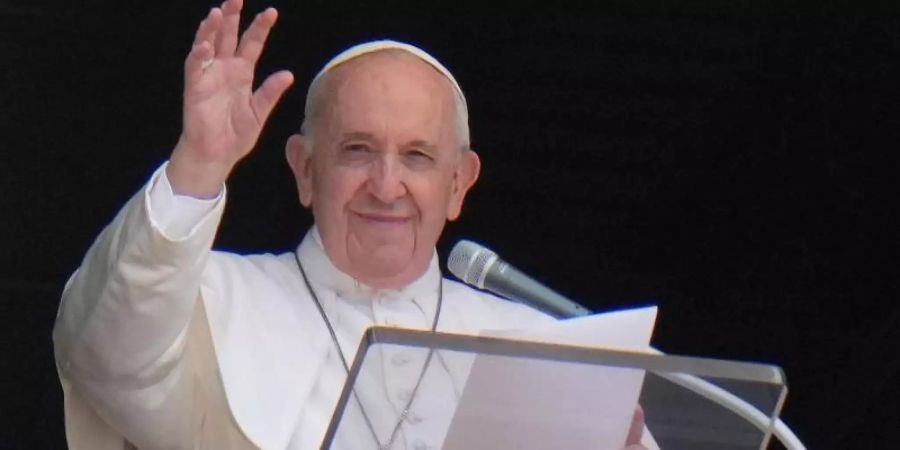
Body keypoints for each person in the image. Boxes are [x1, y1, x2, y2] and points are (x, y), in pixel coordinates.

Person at [52, 1, 650, 448]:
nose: (387, 186)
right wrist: (200, 164)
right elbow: (108, 353)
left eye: (417, 156)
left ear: (459, 184)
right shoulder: (211, 299)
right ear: (305, 170)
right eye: (358, 150)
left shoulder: (541, 348)